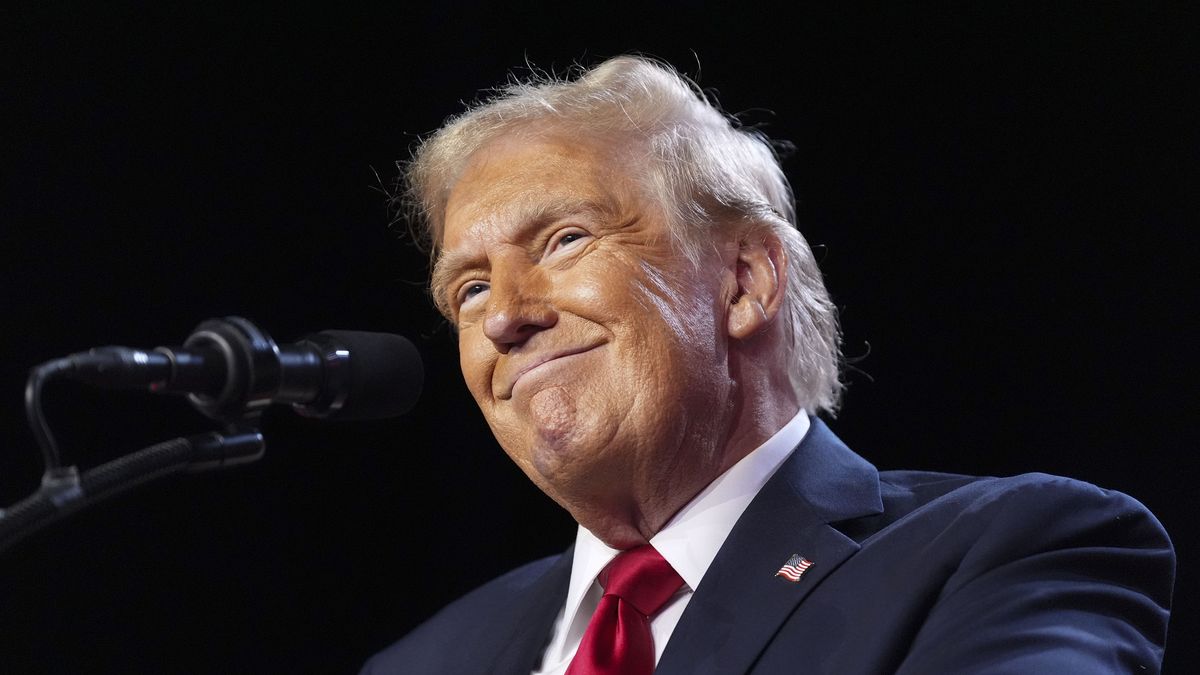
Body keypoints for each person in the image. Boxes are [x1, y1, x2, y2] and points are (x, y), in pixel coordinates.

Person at [362, 56, 1174, 674]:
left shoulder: (1006, 552)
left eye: (565, 240)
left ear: (746, 281)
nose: (503, 315)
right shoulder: (422, 660)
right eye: (467, 288)